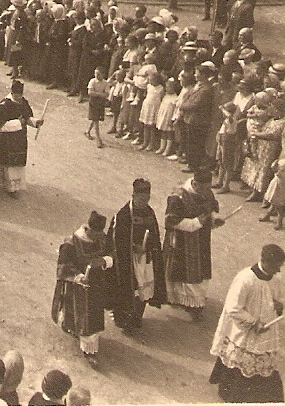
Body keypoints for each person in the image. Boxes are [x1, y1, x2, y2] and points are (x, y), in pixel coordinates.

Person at [209, 243, 285, 403]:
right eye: (276, 266)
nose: (279, 270)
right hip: (245, 331)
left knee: (264, 363)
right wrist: (253, 322)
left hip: (266, 332)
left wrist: (279, 305)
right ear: (265, 261)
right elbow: (233, 308)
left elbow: (278, 297)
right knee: (241, 364)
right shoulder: (245, 279)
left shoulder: (276, 280)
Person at [51, 211, 112, 367]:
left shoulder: (101, 238)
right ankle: (89, 351)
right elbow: (64, 266)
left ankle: (86, 342)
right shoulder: (72, 243)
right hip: (77, 287)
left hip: (96, 285)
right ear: (89, 229)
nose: (99, 238)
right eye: (96, 234)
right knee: (82, 315)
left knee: (93, 315)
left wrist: (104, 261)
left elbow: (112, 253)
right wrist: (78, 276)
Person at [163, 169, 225, 321]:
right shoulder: (178, 196)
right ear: (195, 184)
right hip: (181, 240)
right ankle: (181, 300)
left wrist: (214, 220)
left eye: (208, 188)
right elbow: (171, 221)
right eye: (203, 188)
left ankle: (195, 303)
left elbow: (209, 212)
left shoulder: (207, 193)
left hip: (201, 239)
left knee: (199, 270)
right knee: (181, 270)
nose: (206, 192)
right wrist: (196, 222)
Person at [106, 178, 166, 333]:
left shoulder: (149, 212)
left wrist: (147, 247)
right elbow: (117, 240)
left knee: (144, 289)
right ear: (133, 196)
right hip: (128, 261)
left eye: (147, 199)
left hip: (145, 258)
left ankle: (137, 317)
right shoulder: (124, 215)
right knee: (128, 288)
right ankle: (124, 320)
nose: (144, 202)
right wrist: (133, 247)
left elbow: (155, 235)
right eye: (141, 199)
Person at [0, 79, 43, 197]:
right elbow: (0, 126)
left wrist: (36, 122)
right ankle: (10, 188)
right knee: (9, 165)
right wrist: (19, 123)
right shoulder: (3, 105)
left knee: (18, 163)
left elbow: (27, 118)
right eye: (17, 95)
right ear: (12, 93)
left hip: (20, 139)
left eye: (21, 95)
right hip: (8, 140)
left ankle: (16, 185)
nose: (19, 98)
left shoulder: (23, 102)